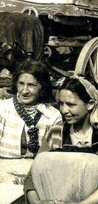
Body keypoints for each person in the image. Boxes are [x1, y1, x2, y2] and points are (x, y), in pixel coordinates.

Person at [0, 60, 63, 204]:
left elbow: (45, 157)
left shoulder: (53, 115)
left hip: (35, 174)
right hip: (0, 171)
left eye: (31, 85)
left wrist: (31, 181)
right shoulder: (0, 108)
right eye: (21, 84)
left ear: (41, 86)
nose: (25, 90)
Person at [24, 76, 98, 204]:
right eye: (61, 103)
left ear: (90, 104)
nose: (64, 110)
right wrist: (37, 202)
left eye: (71, 104)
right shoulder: (56, 133)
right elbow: (32, 176)